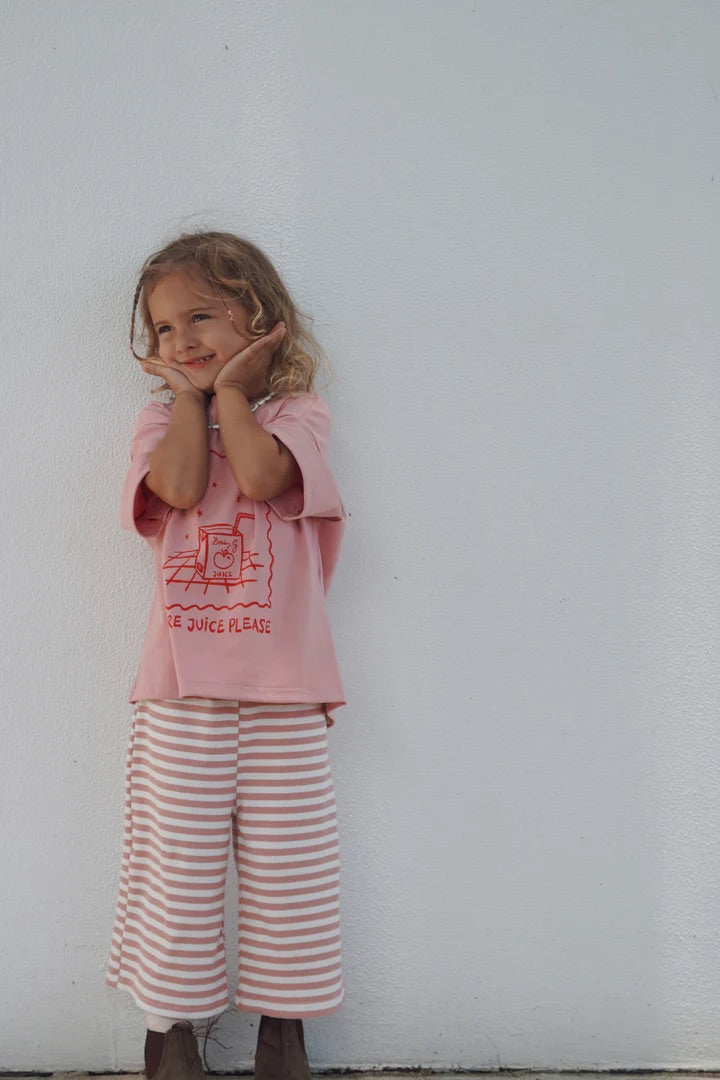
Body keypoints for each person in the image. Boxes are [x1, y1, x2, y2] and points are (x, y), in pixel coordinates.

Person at [105, 231, 346, 1080]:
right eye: (164, 330)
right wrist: (185, 401)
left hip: (287, 689)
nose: (182, 342)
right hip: (182, 694)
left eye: (201, 316)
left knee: (294, 875)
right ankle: (170, 1035)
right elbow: (175, 487)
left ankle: (285, 1036)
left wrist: (235, 397)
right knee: (177, 869)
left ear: (261, 317)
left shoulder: (296, 416)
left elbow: (258, 476)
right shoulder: (157, 422)